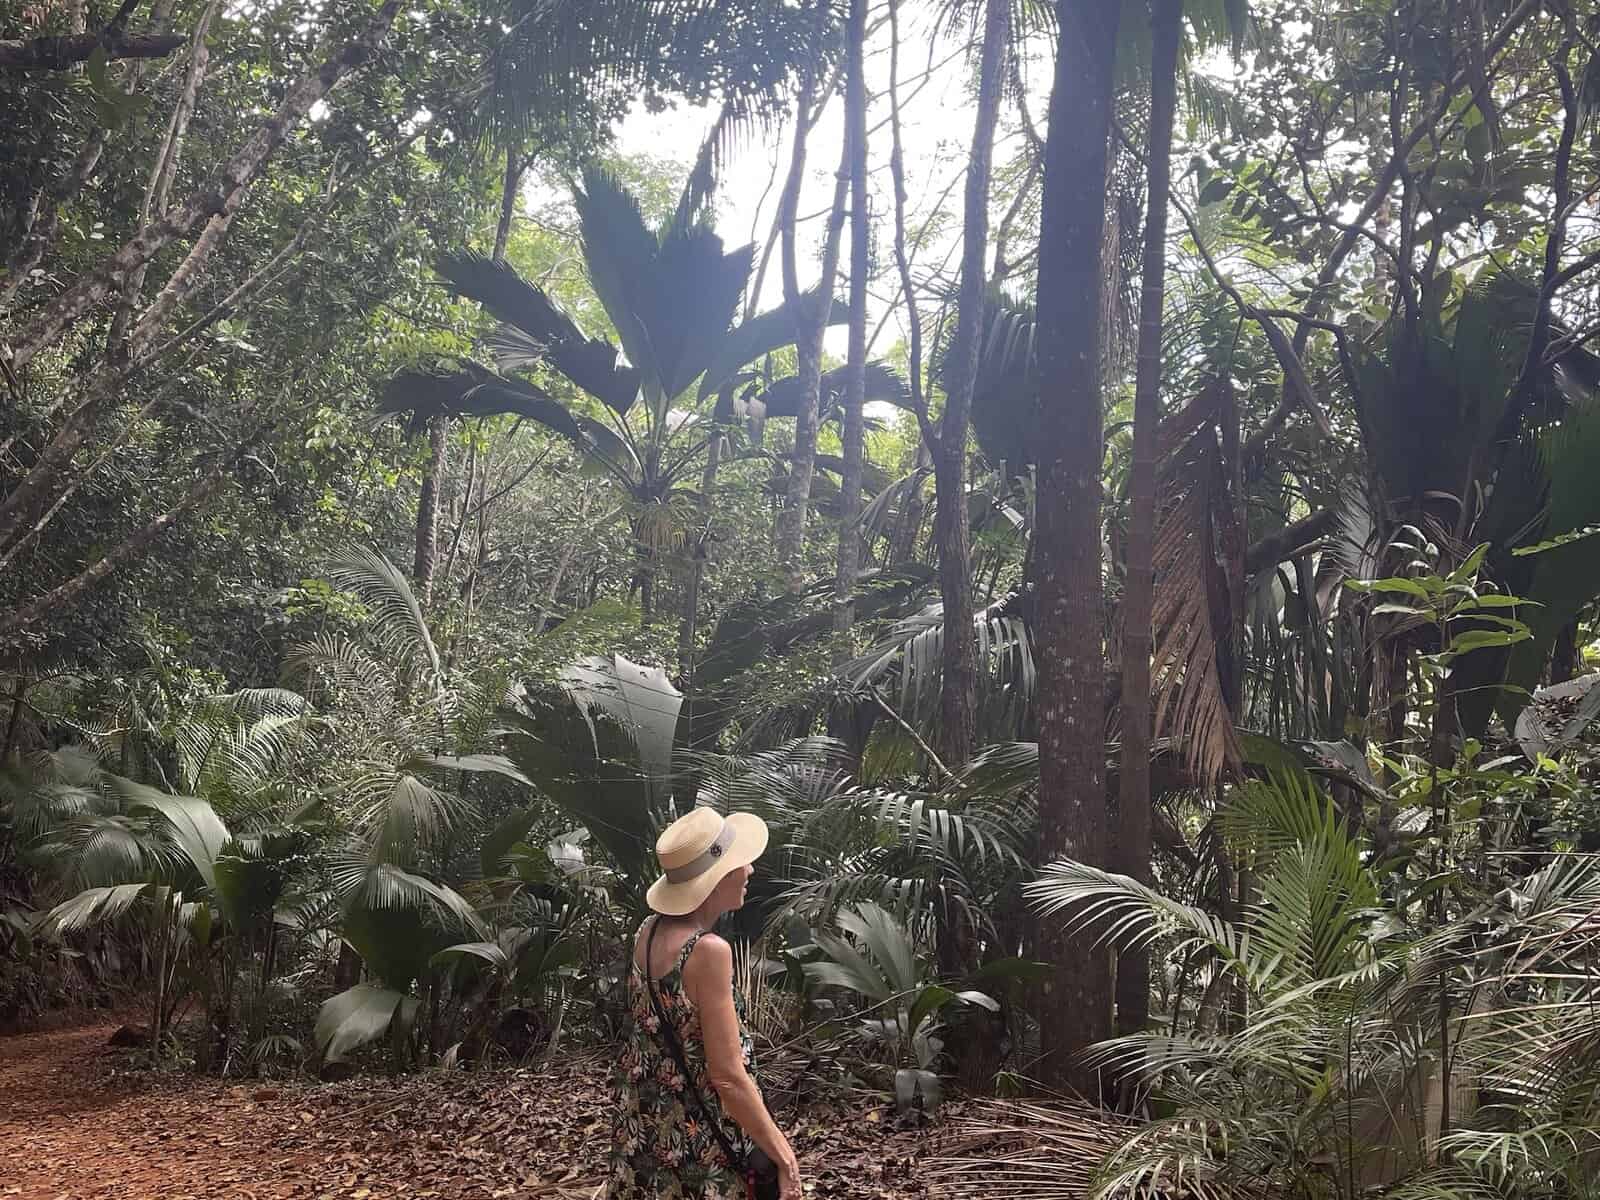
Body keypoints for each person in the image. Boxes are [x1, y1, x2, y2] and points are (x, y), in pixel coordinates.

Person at [607, 807, 802, 1200]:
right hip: (699, 1147)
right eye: (739, 864)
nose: (749, 871)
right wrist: (784, 1155)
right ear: (715, 881)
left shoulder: (648, 930)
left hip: (648, 1132)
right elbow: (728, 1076)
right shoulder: (708, 952)